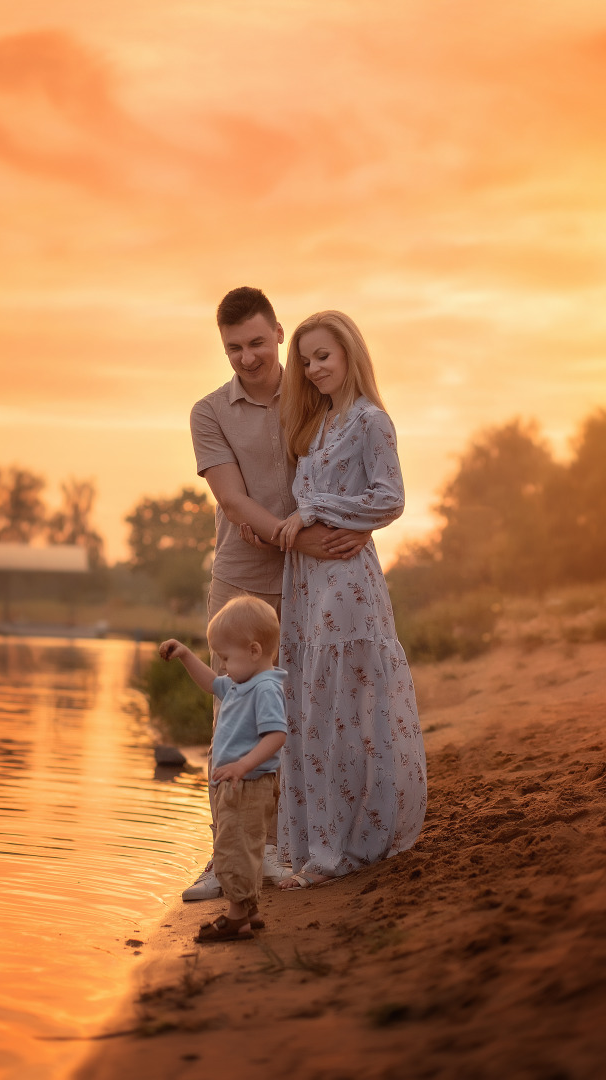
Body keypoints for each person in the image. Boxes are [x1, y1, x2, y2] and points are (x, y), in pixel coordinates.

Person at [186, 287, 372, 901]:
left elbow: (343, 469)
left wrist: (336, 536)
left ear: (279, 334)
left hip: (308, 582)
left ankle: (276, 850)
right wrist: (297, 538)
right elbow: (233, 500)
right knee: (230, 724)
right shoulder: (209, 411)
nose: (246, 357)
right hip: (242, 577)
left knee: (296, 717)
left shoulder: (309, 393)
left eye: (257, 343)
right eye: (234, 348)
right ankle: (223, 860)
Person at [271, 310, 427, 889]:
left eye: (323, 357)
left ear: (350, 354)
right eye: (306, 360)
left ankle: (347, 845)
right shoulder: (316, 427)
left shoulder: (370, 420)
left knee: (346, 705)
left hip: (346, 582)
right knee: (312, 705)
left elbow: (391, 498)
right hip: (307, 584)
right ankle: (319, 844)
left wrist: (318, 512)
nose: (312, 369)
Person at [159, 597, 287, 941]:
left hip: (249, 783)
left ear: (255, 650)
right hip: (236, 784)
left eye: (227, 658)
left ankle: (236, 918)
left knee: (233, 849)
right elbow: (210, 682)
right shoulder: (239, 683)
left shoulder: (265, 688)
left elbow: (277, 734)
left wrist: (243, 765)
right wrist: (186, 654)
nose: (224, 666)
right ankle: (250, 911)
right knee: (242, 846)